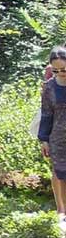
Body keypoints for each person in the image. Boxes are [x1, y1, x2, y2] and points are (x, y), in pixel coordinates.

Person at [45, 45, 66, 227]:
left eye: (64, 69)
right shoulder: (50, 86)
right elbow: (46, 114)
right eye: (56, 70)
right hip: (58, 137)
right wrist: (43, 139)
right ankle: (62, 211)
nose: (60, 73)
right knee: (60, 173)